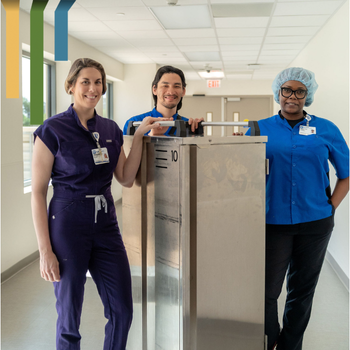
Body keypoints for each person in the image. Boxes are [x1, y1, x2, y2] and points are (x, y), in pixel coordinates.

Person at [31, 58, 166, 350]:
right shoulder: (52, 130)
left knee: (122, 310)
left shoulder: (109, 129)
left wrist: (140, 136)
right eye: (85, 82)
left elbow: (126, 178)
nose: (93, 89)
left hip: (105, 225)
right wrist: (45, 251)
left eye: (98, 82)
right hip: (67, 224)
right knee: (69, 316)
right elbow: (38, 192)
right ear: (70, 86)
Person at [246, 67, 349, 350]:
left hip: (315, 222)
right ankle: (269, 341)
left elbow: (346, 173)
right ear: (278, 92)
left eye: (300, 91)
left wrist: (331, 206)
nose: (293, 96)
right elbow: (239, 173)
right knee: (266, 292)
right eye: (287, 90)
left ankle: (290, 346)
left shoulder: (326, 129)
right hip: (271, 221)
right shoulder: (257, 128)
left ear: (308, 95)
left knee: (302, 292)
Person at [123, 65, 203, 136]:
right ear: (154, 89)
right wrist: (151, 137)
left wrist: (198, 133)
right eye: (165, 85)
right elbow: (128, 153)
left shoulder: (188, 125)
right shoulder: (134, 123)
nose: (171, 92)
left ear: (183, 91)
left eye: (176, 86)